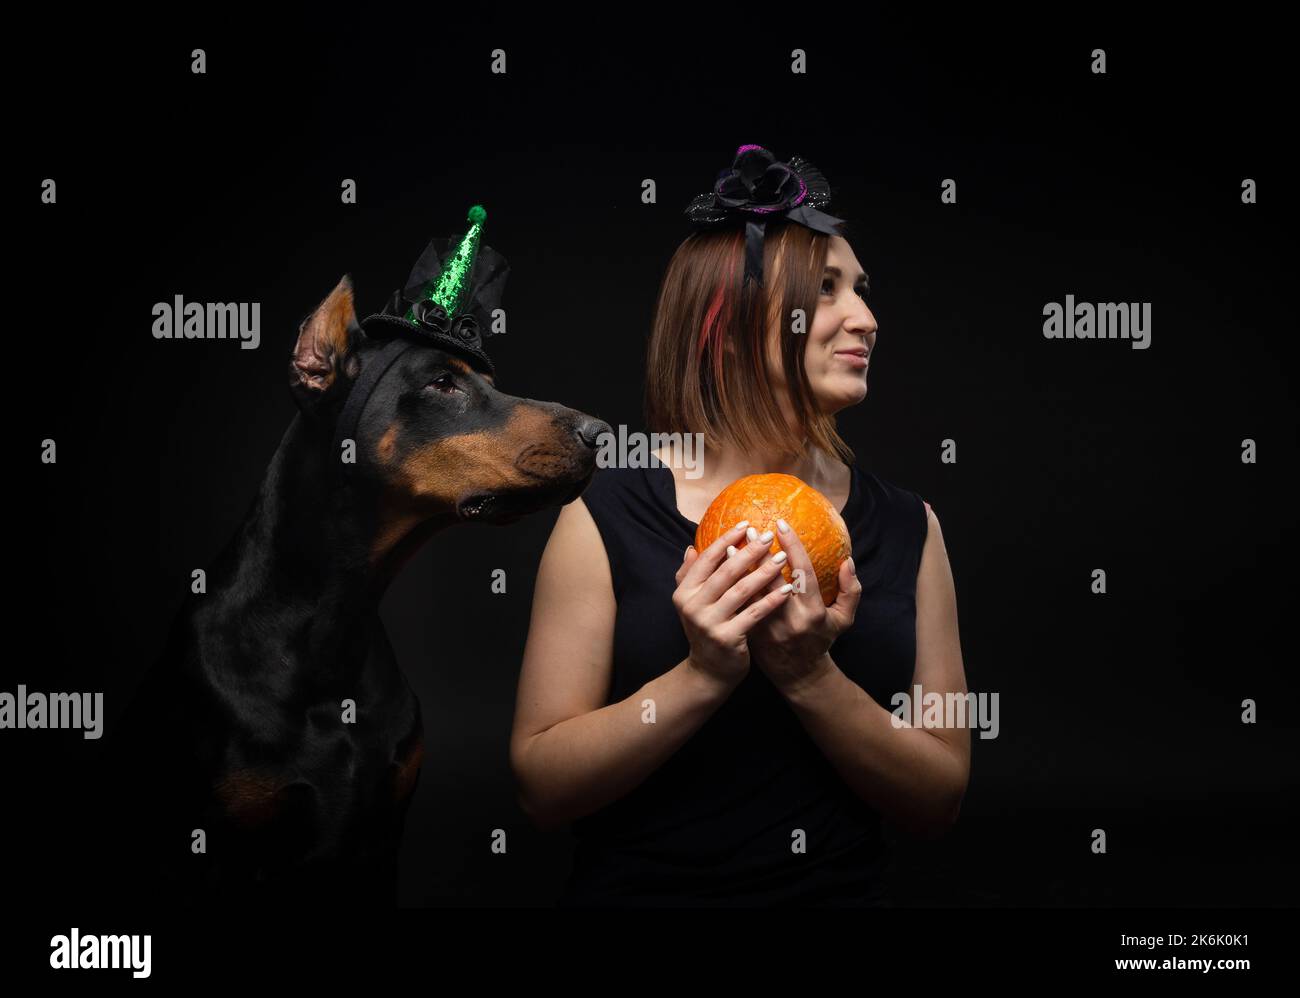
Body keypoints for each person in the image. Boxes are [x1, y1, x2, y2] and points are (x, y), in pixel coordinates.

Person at [510, 145, 970, 906]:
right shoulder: (606, 515)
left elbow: (940, 797)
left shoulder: (911, 528)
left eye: (861, 288)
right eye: (826, 291)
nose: (867, 318)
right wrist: (701, 676)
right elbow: (541, 789)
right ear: (726, 327)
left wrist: (810, 677)